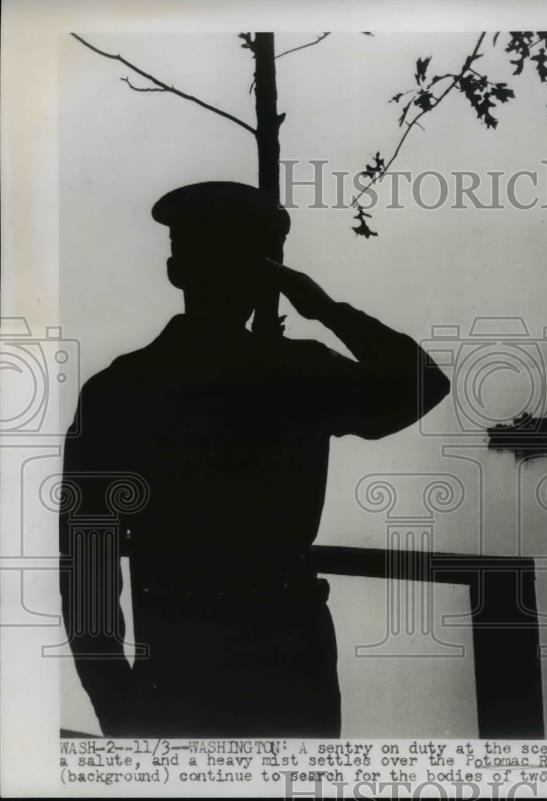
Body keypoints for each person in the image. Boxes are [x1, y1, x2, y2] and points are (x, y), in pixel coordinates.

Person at [59, 181, 450, 737]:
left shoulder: (116, 392)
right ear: (269, 274)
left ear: (176, 271)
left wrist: (116, 706)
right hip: (292, 664)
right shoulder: (299, 374)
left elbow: (86, 572)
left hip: (175, 664)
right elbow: (424, 382)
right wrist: (324, 307)